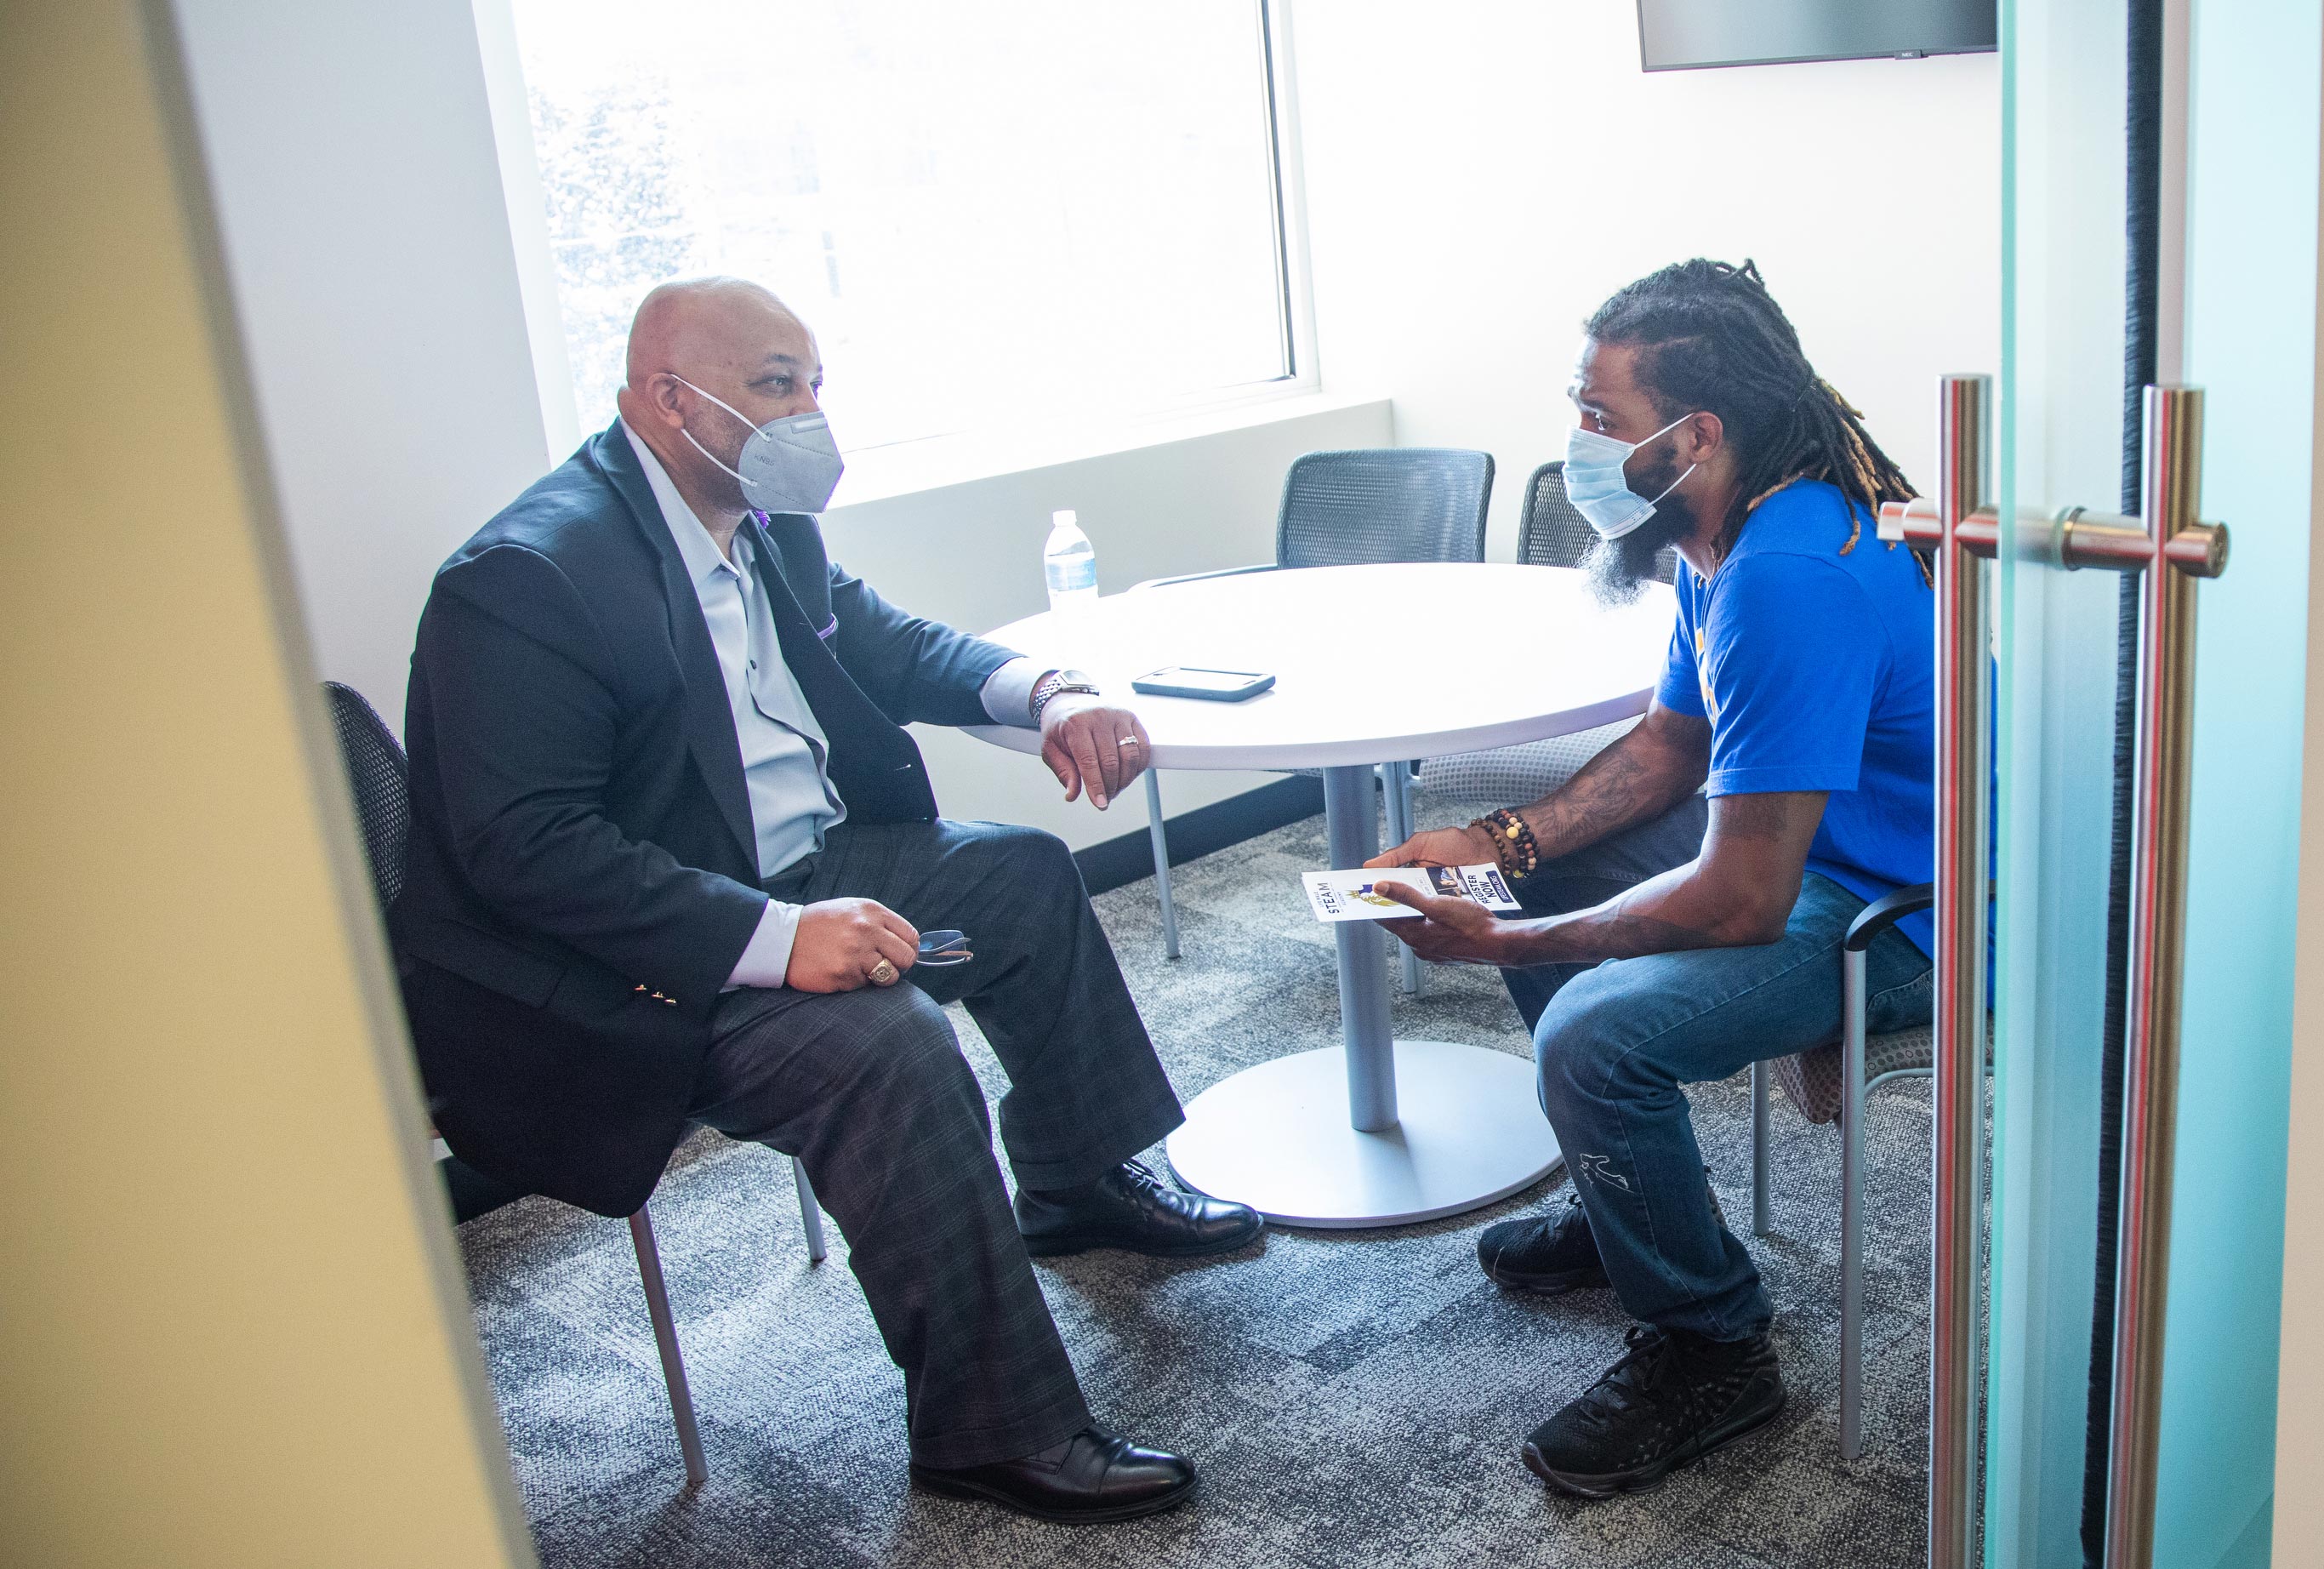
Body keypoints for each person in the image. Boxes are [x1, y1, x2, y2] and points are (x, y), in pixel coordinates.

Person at [396, 277, 1260, 1524]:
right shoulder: (530, 578)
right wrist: (774, 940)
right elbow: (524, 848)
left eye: (813, 384)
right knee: (884, 1049)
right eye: (772, 386)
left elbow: (886, 642)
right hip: (626, 961)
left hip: (800, 868)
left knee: (1015, 874)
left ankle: (1076, 1182)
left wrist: (1050, 687)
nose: (807, 414)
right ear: (660, 397)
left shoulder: (759, 517)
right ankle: (988, 1429)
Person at [1366, 259, 1934, 1498]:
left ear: (1697, 432)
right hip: (1809, 852)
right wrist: (1498, 850)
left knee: (1591, 1031)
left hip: (1905, 916)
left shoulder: (1790, 575)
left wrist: (1512, 945)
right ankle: (1622, 1208)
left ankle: (1711, 1344)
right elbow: (1674, 745)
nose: (1573, 445)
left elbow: (1742, 901)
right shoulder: (1724, 532)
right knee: (1541, 887)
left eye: (1596, 419)